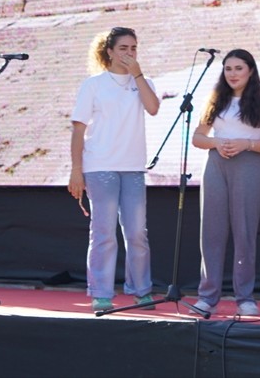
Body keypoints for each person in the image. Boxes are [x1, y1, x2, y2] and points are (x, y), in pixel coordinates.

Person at [67, 27, 160, 312]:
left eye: (133, 48)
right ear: (109, 51)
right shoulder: (93, 85)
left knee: (136, 232)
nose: (129, 53)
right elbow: (78, 129)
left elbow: (153, 108)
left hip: (133, 167)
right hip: (100, 166)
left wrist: (138, 75)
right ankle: (101, 292)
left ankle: (141, 290)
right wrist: (76, 170)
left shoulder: (142, 81)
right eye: (123, 48)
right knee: (104, 231)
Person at [187, 49, 260, 318]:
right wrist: (218, 142)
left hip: (248, 163)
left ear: (250, 70)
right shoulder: (216, 99)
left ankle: (245, 297)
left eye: (239, 68)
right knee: (212, 231)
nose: (233, 74)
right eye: (228, 68)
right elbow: (198, 137)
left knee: (244, 230)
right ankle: (207, 296)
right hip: (216, 163)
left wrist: (246, 144)